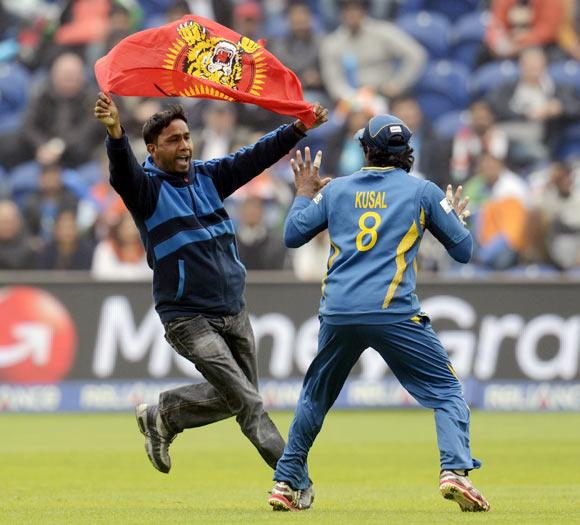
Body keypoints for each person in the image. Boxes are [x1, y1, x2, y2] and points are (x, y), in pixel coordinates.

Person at [93, 93, 327, 496]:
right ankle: (294, 480)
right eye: (173, 141)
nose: (184, 146)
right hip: (186, 315)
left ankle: (164, 415)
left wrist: (298, 128)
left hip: (233, 308)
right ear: (152, 149)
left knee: (236, 396)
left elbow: (255, 157)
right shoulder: (145, 191)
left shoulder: (208, 176)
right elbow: (122, 174)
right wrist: (115, 132)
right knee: (250, 404)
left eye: (186, 137)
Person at [267, 115, 490, 512]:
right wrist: (452, 218)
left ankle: (286, 482)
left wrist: (303, 192)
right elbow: (464, 250)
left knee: (315, 397)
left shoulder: (336, 190)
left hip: (337, 311)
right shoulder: (423, 191)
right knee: (447, 391)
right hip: (392, 312)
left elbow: (293, 234)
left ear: (366, 151)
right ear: (407, 153)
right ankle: (455, 471)